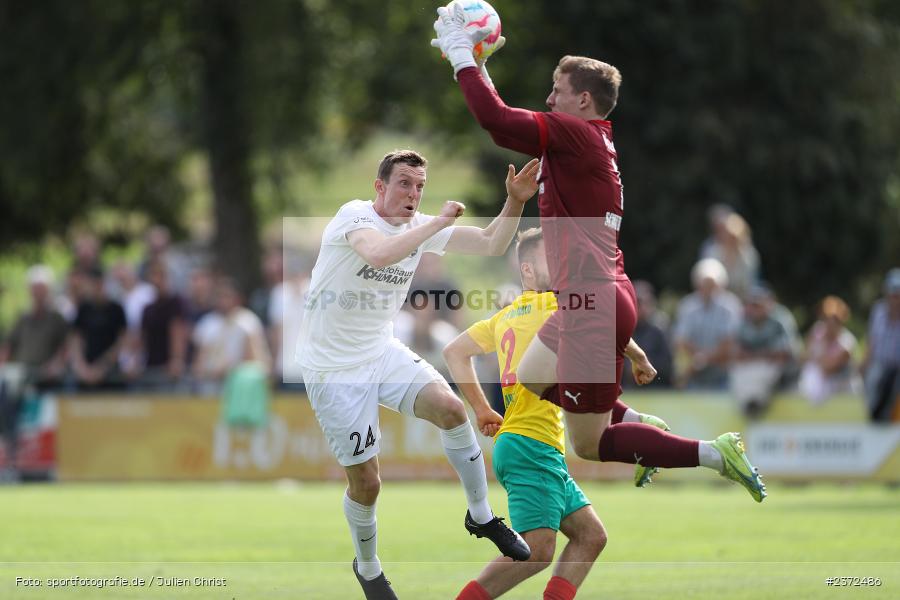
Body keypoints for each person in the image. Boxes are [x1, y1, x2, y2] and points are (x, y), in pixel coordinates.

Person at [432, 7, 766, 522]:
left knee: (589, 445)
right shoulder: (595, 141)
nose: (548, 100)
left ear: (582, 100)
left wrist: (461, 54)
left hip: (591, 304)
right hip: (600, 298)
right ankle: (639, 425)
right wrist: (477, 61)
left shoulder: (576, 135)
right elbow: (507, 116)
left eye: (556, 90)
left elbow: (496, 121)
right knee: (529, 383)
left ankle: (713, 452)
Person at [295, 149, 539, 599]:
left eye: (420, 186)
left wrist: (516, 202)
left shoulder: (422, 226)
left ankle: (481, 515)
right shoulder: (354, 216)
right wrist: (436, 222)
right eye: (405, 183)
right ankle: (368, 567)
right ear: (380, 187)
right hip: (333, 370)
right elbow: (381, 253)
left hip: (380, 351)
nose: (413, 193)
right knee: (367, 484)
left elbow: (490, 242)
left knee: (450, 408)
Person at [443, 228, 667, 600]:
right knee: (537, 551)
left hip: (527, 444)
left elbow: (454, 352)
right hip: (532, 445)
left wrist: (482, 409)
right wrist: (640, 358)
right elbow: (608, 323)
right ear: (528, 272)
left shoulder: (504, 317)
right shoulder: (557, 306)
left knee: (590, 536)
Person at [673, 258, 742, 389]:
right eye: (704, 284)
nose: (708, 289)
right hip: (694, 374)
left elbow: (729, 341)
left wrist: (704, 359)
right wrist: (699, 358)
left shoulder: (731, 305)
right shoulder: (687, 306)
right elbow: (681, 340)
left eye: (712, 285)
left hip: (724, 373)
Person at [729, 284, 794, 418]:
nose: (754, 308)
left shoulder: (780, 318)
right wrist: (764, 354)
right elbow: (735, 354)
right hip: (751, 367)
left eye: (758, 304)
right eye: (752, 304)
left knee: (767, 371)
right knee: (737, 373)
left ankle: (756, 405)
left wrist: (754, 355)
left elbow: (783, 354)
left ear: (769, 303)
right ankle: (750, 408)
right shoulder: (742, 319)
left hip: (781, 371)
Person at [799, 296, 860, 406]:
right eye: (826, 319)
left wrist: (821, 348)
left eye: (834, 320)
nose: (829, 324)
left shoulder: (847, 343)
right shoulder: (816, 331)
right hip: (820, 385)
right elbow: (803, 357)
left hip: (843, 388)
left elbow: (828, 368)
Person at [861, 268, 900, 422]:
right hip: (880, 365)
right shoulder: (878, 311)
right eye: (893, 294)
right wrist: (862, 367)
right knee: (873, 379)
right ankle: (874, 417)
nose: (895, 299)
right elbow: (872, 342)